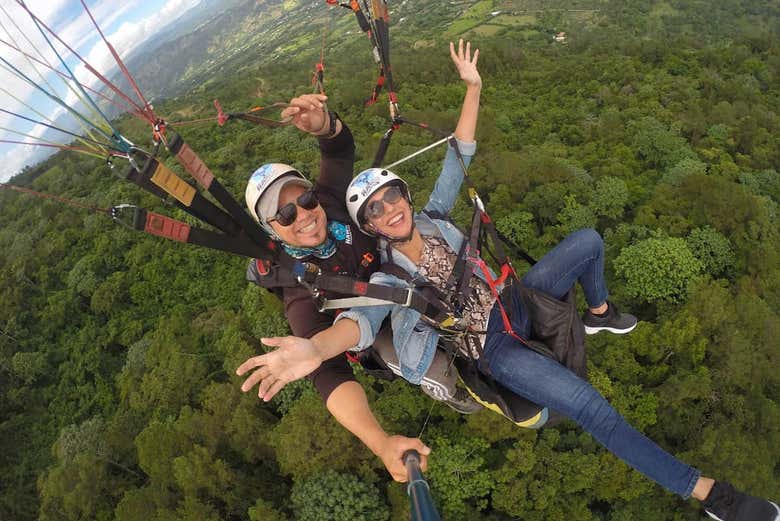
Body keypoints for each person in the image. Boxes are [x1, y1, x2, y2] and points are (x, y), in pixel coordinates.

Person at [236, 41, 779, 521]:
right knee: (591, 408)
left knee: (588, 240)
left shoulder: (433, 217)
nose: (390, 209)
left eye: (393, 196)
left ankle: (599, 315)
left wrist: (473, 88)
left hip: (515, 302)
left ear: (404, 196)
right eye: (375, 210)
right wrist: (313, 347)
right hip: (491, 347)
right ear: (369, 227)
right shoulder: (385, 276)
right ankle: (713, 496)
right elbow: (358, 325)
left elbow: (456, 154)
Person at [238, 75, 478, 483]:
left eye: (305, 199)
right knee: (432, 366)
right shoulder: (301, 293)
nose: (304, 214)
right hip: (372, 324)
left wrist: (324, 124)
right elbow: (330, 376)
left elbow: (338, 149)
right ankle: (453, 385)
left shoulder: (329, 202)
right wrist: (380, 442)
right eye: (285, 215)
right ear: (272, 231)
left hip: (407, 272)